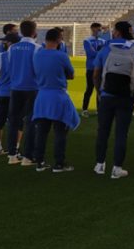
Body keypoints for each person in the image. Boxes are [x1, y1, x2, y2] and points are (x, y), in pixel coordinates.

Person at [92, 21, 134, 179]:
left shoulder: (105, 49)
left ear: (117, 32)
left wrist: (99, 92)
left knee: (103, 131)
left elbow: (96, 74)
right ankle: (117, 168)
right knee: (121, 133)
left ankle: (99, 164)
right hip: (125, 98)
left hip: (107, 96)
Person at [31, 28, 79, 172]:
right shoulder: (61, 56)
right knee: (60, 132)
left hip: (42, 96)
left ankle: (39, 161)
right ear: (59, 40)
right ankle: (59, 163)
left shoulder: (37, 55)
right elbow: (71, 74)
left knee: (42, 131)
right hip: (57, 96)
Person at [6, 20, 40, 165]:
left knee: (13, 121)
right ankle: (27, 156)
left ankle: (12, 155)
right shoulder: (37, 48)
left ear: (20, 32)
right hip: (32, 88)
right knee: (31, 121)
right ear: (34, 32)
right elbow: (38, 69)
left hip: (15, 88)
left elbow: (9, 67)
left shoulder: (11, 48)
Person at [0, 32, 20, 155]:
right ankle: (15, 149)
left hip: (2, 92)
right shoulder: (20, 58)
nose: (4, 43)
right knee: (17, 123)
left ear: (10, 43)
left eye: (6, 42)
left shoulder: (0, 56)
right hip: (16, 92)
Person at [81, 22, 106, 117]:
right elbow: (91, 53)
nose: (100, 31)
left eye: (100, 30)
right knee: (90, 88)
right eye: (98, 29)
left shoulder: (103, 41)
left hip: (101, 68)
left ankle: (99, 109)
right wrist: (101, 53)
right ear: (93, 29)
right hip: (91, 68)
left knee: (100, 89)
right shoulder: (87, 41)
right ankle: (84, 109)